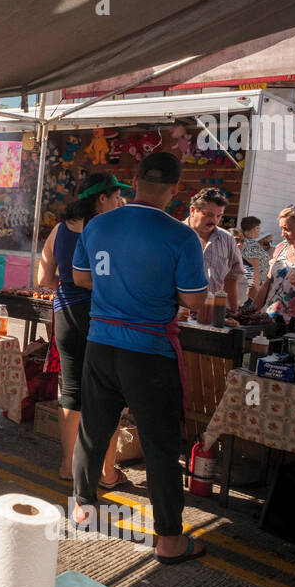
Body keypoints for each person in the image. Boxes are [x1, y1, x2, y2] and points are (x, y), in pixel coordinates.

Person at [69, 152, 208, 564]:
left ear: (135, 180)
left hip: (101, 344)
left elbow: (80, 277)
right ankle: (168, 539)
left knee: (94, 430)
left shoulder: (98, 224)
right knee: (160, 444)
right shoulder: (181, 235)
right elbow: (195, 299)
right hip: (148, 351)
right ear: (176, 189)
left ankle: (83, 508)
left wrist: (116, 286)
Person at [36, 172, 130, 486]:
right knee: (109, 394)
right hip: (103, 316)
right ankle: (105, 472)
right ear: (101, 198)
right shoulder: (112, 232)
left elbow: (44, 279)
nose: (119, 202)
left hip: (66, 315)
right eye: (116, 196)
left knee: (72, 391)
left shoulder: (59, 230)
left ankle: (67, 465)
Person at [185, 188, 243, 318]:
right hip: (179, 313)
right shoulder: (176, 235)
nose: (214, 221)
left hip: (211, 314)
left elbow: (232, 278)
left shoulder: (227, 239)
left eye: (219, 216)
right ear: (193, 210)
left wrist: (234, 312)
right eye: (209, 215)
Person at [239, 216, 271, 295]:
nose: (259, 231)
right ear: (253, 228)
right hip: (254, 288)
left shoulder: (246, 242)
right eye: (258, 228)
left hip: (251, 286)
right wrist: (257, 293)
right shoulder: (251, 245)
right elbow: (255, 268)